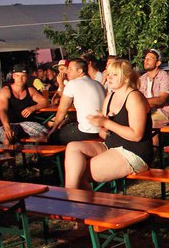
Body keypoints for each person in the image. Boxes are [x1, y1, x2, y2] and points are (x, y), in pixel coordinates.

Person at [64, 59, 154, 190]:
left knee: (81, 172)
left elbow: (136, 135)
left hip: (133, 152)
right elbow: (104, 133)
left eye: (115, 74)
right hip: (112, 146)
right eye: (109, 74)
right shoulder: (110, 97)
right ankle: (71, 194)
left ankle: (71, 197)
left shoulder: (134, 97)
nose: (109, 77)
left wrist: (106, 122)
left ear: (126, 78)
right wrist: (101, 126)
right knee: (73, 147)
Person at [47, 58, 106, 144]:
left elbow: (62, 110)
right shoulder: (97, 84)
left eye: (70, 69)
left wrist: (53, 129)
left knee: (53, 137)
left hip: (87, 131)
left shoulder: (73, 84)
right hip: (102, 130)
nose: (67, 71)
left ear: (80, 71)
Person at [0, 64, 50, 144]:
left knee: (45, 132)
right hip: (7, 124)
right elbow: (2, 110)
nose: (20, 79)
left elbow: (45, 102)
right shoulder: (5, 91)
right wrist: (7, 128)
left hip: (25, 124)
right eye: (18, 76)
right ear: (14, 76)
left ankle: (38, 152)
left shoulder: (30, 90)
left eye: (23, 76)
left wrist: (32, 108)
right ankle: (10, 149)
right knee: (8, 135)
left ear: (27, 77)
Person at [139, 48, 169, 125]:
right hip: (148, 110)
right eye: (145, 58)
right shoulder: (142, 79)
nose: (146, 61)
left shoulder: (165, 77)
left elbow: (161, 99)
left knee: (147, 121)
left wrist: (140, 101)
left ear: (158, 63)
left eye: (150, 58)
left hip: (165, 112)